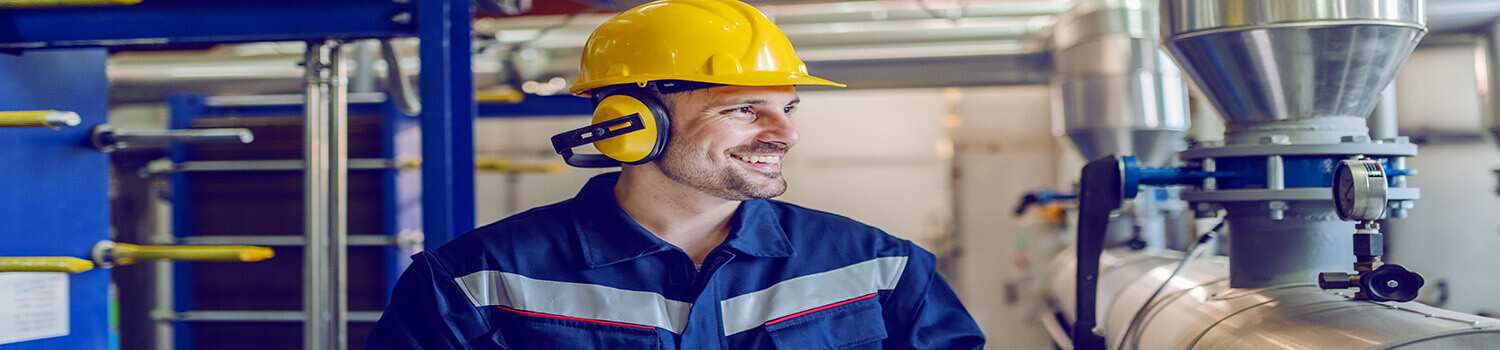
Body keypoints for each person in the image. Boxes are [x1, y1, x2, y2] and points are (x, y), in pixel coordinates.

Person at [369, 0, 984, 348]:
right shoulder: (474, 283)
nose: (785, 133)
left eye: (787, 107)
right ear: (631, 122)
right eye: (745, 109)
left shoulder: (881, 268)